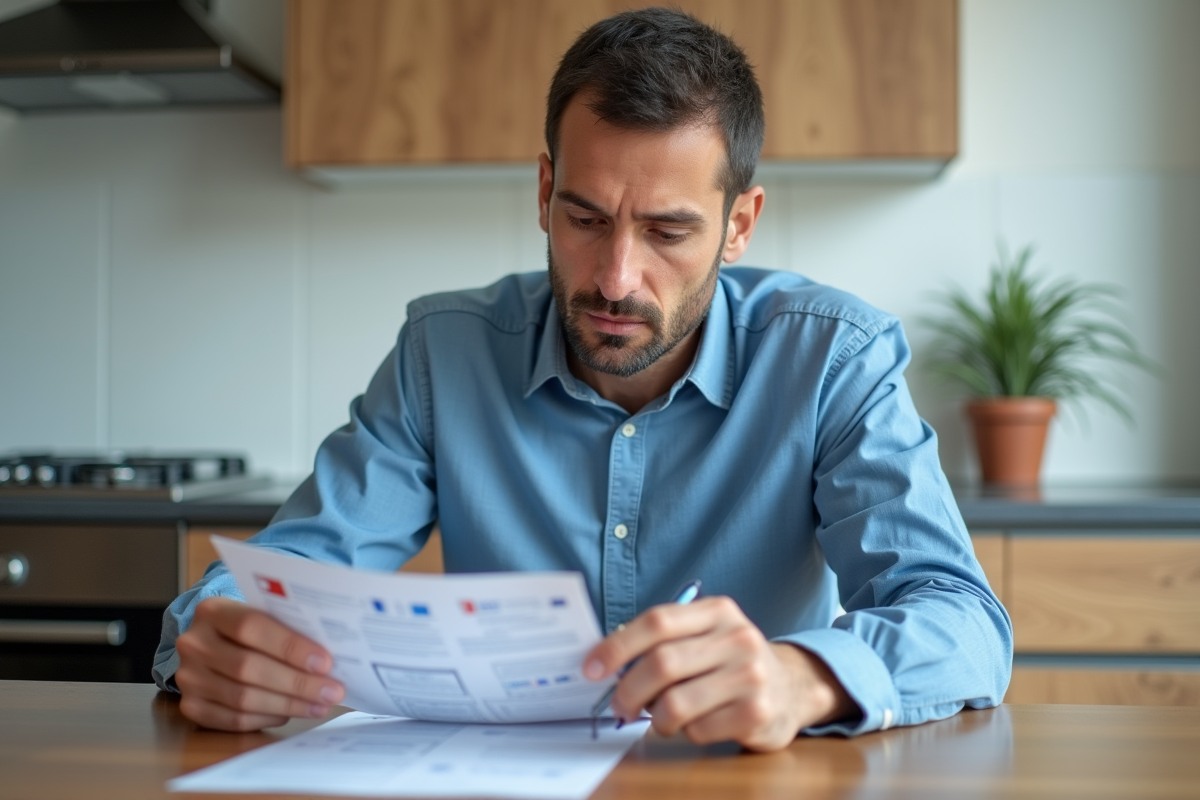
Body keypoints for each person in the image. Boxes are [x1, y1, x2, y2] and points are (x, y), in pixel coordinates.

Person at [155, 7, 1011, 752]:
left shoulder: (833, 360)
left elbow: (961, 619)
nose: (614, 277)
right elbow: (288, 568)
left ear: (739, 224)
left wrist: (803, 677)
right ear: (542, 192)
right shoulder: (441, 353)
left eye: (669, 232)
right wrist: (216, 634)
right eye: (585, 218)